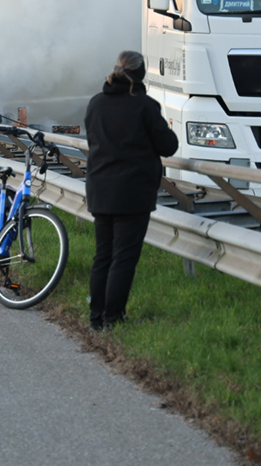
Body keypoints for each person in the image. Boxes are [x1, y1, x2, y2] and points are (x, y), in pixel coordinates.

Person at [84, 50, 178, 332]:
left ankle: (95, 318)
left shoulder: (95, 104)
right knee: (123, 258)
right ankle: (113, 319)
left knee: (103, 255)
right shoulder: (145, 106)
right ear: (141, 74)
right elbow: (168, 146)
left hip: (100, 189)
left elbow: (92, 139)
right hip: (133, 193)